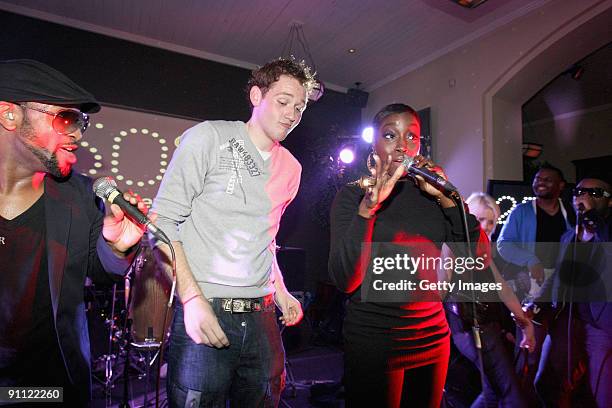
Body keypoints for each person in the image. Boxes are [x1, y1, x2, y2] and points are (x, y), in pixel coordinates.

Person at [152, 57, 315, 407]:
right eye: (283, 101)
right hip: (207, 309)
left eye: (299, 107)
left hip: (263, 317)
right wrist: (192, 301)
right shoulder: (209, 137)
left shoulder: (292, 169)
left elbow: (265, 239)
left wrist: (281, 288)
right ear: (257, 96)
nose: (291, 114)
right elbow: (162, 223)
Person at [0, 59, 148, 405]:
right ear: (9, 116)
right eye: (66, 118)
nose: (78, 134)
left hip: (48, 389)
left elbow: (103, 274)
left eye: (81, 122)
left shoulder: (81, 198)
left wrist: (119, 249)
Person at [328, 103, 483, 407]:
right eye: (390, 135)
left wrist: (447, 198)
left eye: (412, 137)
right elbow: (345, 279)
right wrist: (367, 210)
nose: (402, 145)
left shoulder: (432, 195)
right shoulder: (353, 195)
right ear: (373, 143)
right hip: (374, 338)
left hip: (432, 335)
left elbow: (478, 256)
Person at [445, 192, 536, 407]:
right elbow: (440, 288)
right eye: (480, 219)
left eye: (491, 221)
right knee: (509, 392)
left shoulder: (483, 250)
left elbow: (502, 289)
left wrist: (525, 323)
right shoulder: (452, 245)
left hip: (487, 326)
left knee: (493, 392)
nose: (486, 226)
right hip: (469, 327)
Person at [496, 164, 573, 403]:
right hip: (532, 291)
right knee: (529, 354)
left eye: (548, 179)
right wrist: (530, 259)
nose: (540, 182)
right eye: (538, 178)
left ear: (561, 186)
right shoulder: (521, 212)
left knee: (560, 359)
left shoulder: (570, 212)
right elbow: (503, 244)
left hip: (562, 295)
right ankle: (517, 400)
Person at [534, 176, 612, 407]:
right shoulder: (568, 236)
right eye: (579, 192)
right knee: (545, 384)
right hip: (566, 323)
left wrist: (597, 223)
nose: (583, 196)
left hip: (600, 327)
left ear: (610, 202)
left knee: (602, 394)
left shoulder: (607, 235)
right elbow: (559, 274)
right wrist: (537, 301)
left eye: (594, 193)